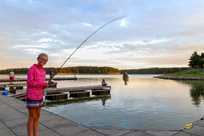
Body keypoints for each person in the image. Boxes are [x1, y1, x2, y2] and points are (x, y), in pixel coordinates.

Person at [26, 53, 48, 136]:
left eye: (45, 60)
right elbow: (30, 83)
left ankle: (36, 134)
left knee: (37, 116)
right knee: (32, 116)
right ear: (38, 59)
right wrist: (43, 84)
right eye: (42, 59)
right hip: (32, 96)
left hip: (39, 96)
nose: (43, 61)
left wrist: (46, 85)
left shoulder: (43, 71)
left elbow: (42, 84)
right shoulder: (32, 69)